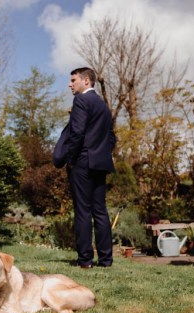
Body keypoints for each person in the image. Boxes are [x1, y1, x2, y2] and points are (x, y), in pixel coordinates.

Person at [58, 67, 116, 269]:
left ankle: (85, 260)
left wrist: (71, 159)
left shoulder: (81, 100)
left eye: (73, 80)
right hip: (101, 163)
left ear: (86, 81)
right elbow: (111, 137)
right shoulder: (103, 105)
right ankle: (106, 260)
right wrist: (102, 154)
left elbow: (77, 133)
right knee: (100, 210)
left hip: (82, 162)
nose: (70, 84)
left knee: (82, 210)